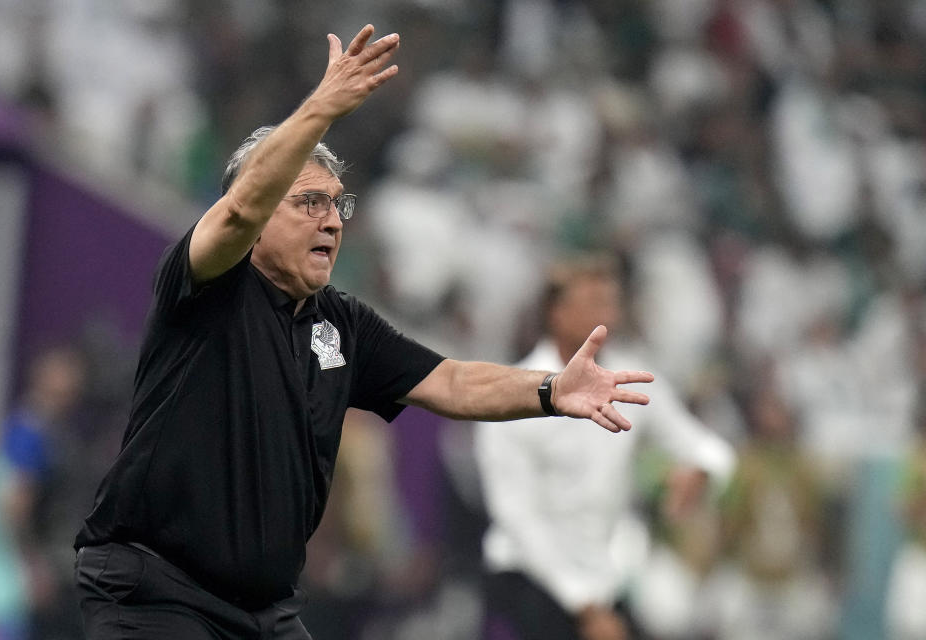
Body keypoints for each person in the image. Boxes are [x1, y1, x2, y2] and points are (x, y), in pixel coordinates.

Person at [72, 24, 655, 640]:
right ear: (262, 213)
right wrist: (322, 107)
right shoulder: (207, 284)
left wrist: (550, 391)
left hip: (263, 611)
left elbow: (451, 382)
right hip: (156, 593)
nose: (332, 220)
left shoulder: (341, 322)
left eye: (338, 204)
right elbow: (240, 209)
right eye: (309, 203)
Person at [475, 256, 735, 640]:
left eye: (611, 303)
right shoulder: (513, 393)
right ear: (557, 313)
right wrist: (585, 606)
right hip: (527, 578)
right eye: (594, 303)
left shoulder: (632, 380)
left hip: (603, 575)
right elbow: (516, 514)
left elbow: (708, 448)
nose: (607, 314)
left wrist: (701, 471)